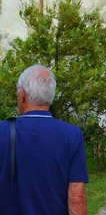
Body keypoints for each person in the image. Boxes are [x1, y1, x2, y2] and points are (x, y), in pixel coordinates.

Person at [0, 64, 88, 215]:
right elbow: (76, 197)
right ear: (50, 97)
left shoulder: (3, 131)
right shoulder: (71, 134)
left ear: (22, 95)